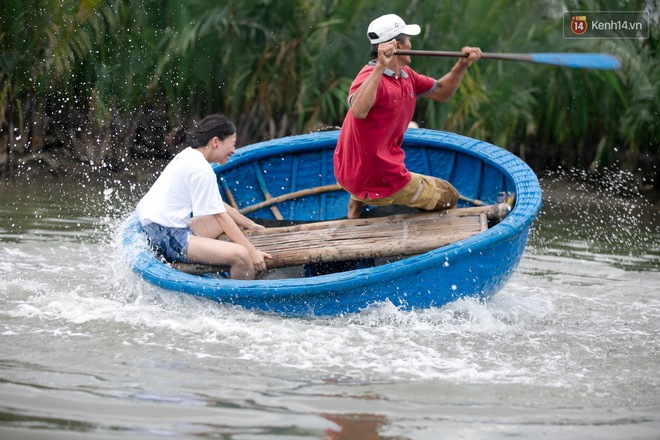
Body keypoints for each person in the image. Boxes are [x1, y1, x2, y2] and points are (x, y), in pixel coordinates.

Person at [334, 13, 482, 219]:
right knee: (449, 195)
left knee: (371, 163)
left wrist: (462, 64)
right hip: (380, 177)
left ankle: (354, 210)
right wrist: (380, 65)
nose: (412, 44)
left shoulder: (407, 76)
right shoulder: (368, 77)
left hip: (349, 171)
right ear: (397, 45)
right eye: (408, 40)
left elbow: (442, 92)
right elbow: (358, 110)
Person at [135, 114, 271, 280]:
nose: (234, 151)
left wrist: (250, 224)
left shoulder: (190, 155)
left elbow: (217, 206)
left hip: (155, 229)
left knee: (234, 225)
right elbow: (221, 217)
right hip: (169, 238)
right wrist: (252, 252)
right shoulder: (202, 171)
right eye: (232, 144)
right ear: (215, 142)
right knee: (241, 255)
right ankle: (235, 304)